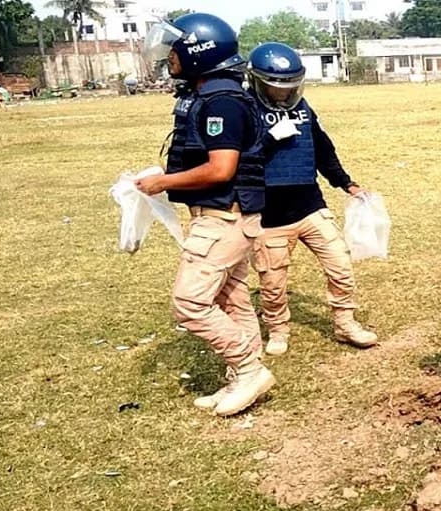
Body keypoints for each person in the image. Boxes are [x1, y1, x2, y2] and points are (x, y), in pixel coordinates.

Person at [133, 12, 275, 416]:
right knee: (233, 301)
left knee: (190, 302)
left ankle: (248, 370)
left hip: (223, 219)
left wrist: (164, 182)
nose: (169, 58)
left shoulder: (222, 102)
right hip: (230, 217)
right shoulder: (217, 93)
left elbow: (221, 169)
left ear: (199, 51)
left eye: (175, 51)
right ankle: (244, 376)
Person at [244, 42, 379, 355]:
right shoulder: (245, 110)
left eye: (290, 87)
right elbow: (238, 160)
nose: (284, 93)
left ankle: (345, 322)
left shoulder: (303, 109)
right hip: (269, 216)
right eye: (276, 87)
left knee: (340, 265)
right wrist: (268, 140)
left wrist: (348, 185)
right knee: (273, 281)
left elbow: (322, 149)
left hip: (310, 207)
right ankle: (278, 329)